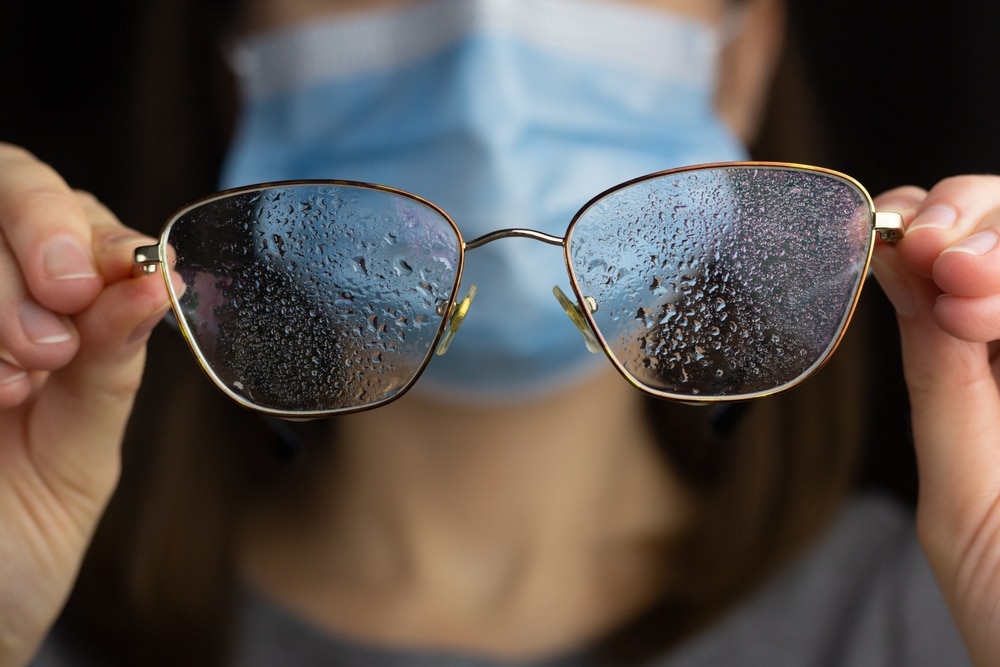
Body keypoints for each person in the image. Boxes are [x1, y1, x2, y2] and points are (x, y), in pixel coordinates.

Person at [2, 0, 999, 665]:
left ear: (742, 58)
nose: (485, 42)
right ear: (234, 62)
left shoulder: (941, 615)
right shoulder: (33, 596)